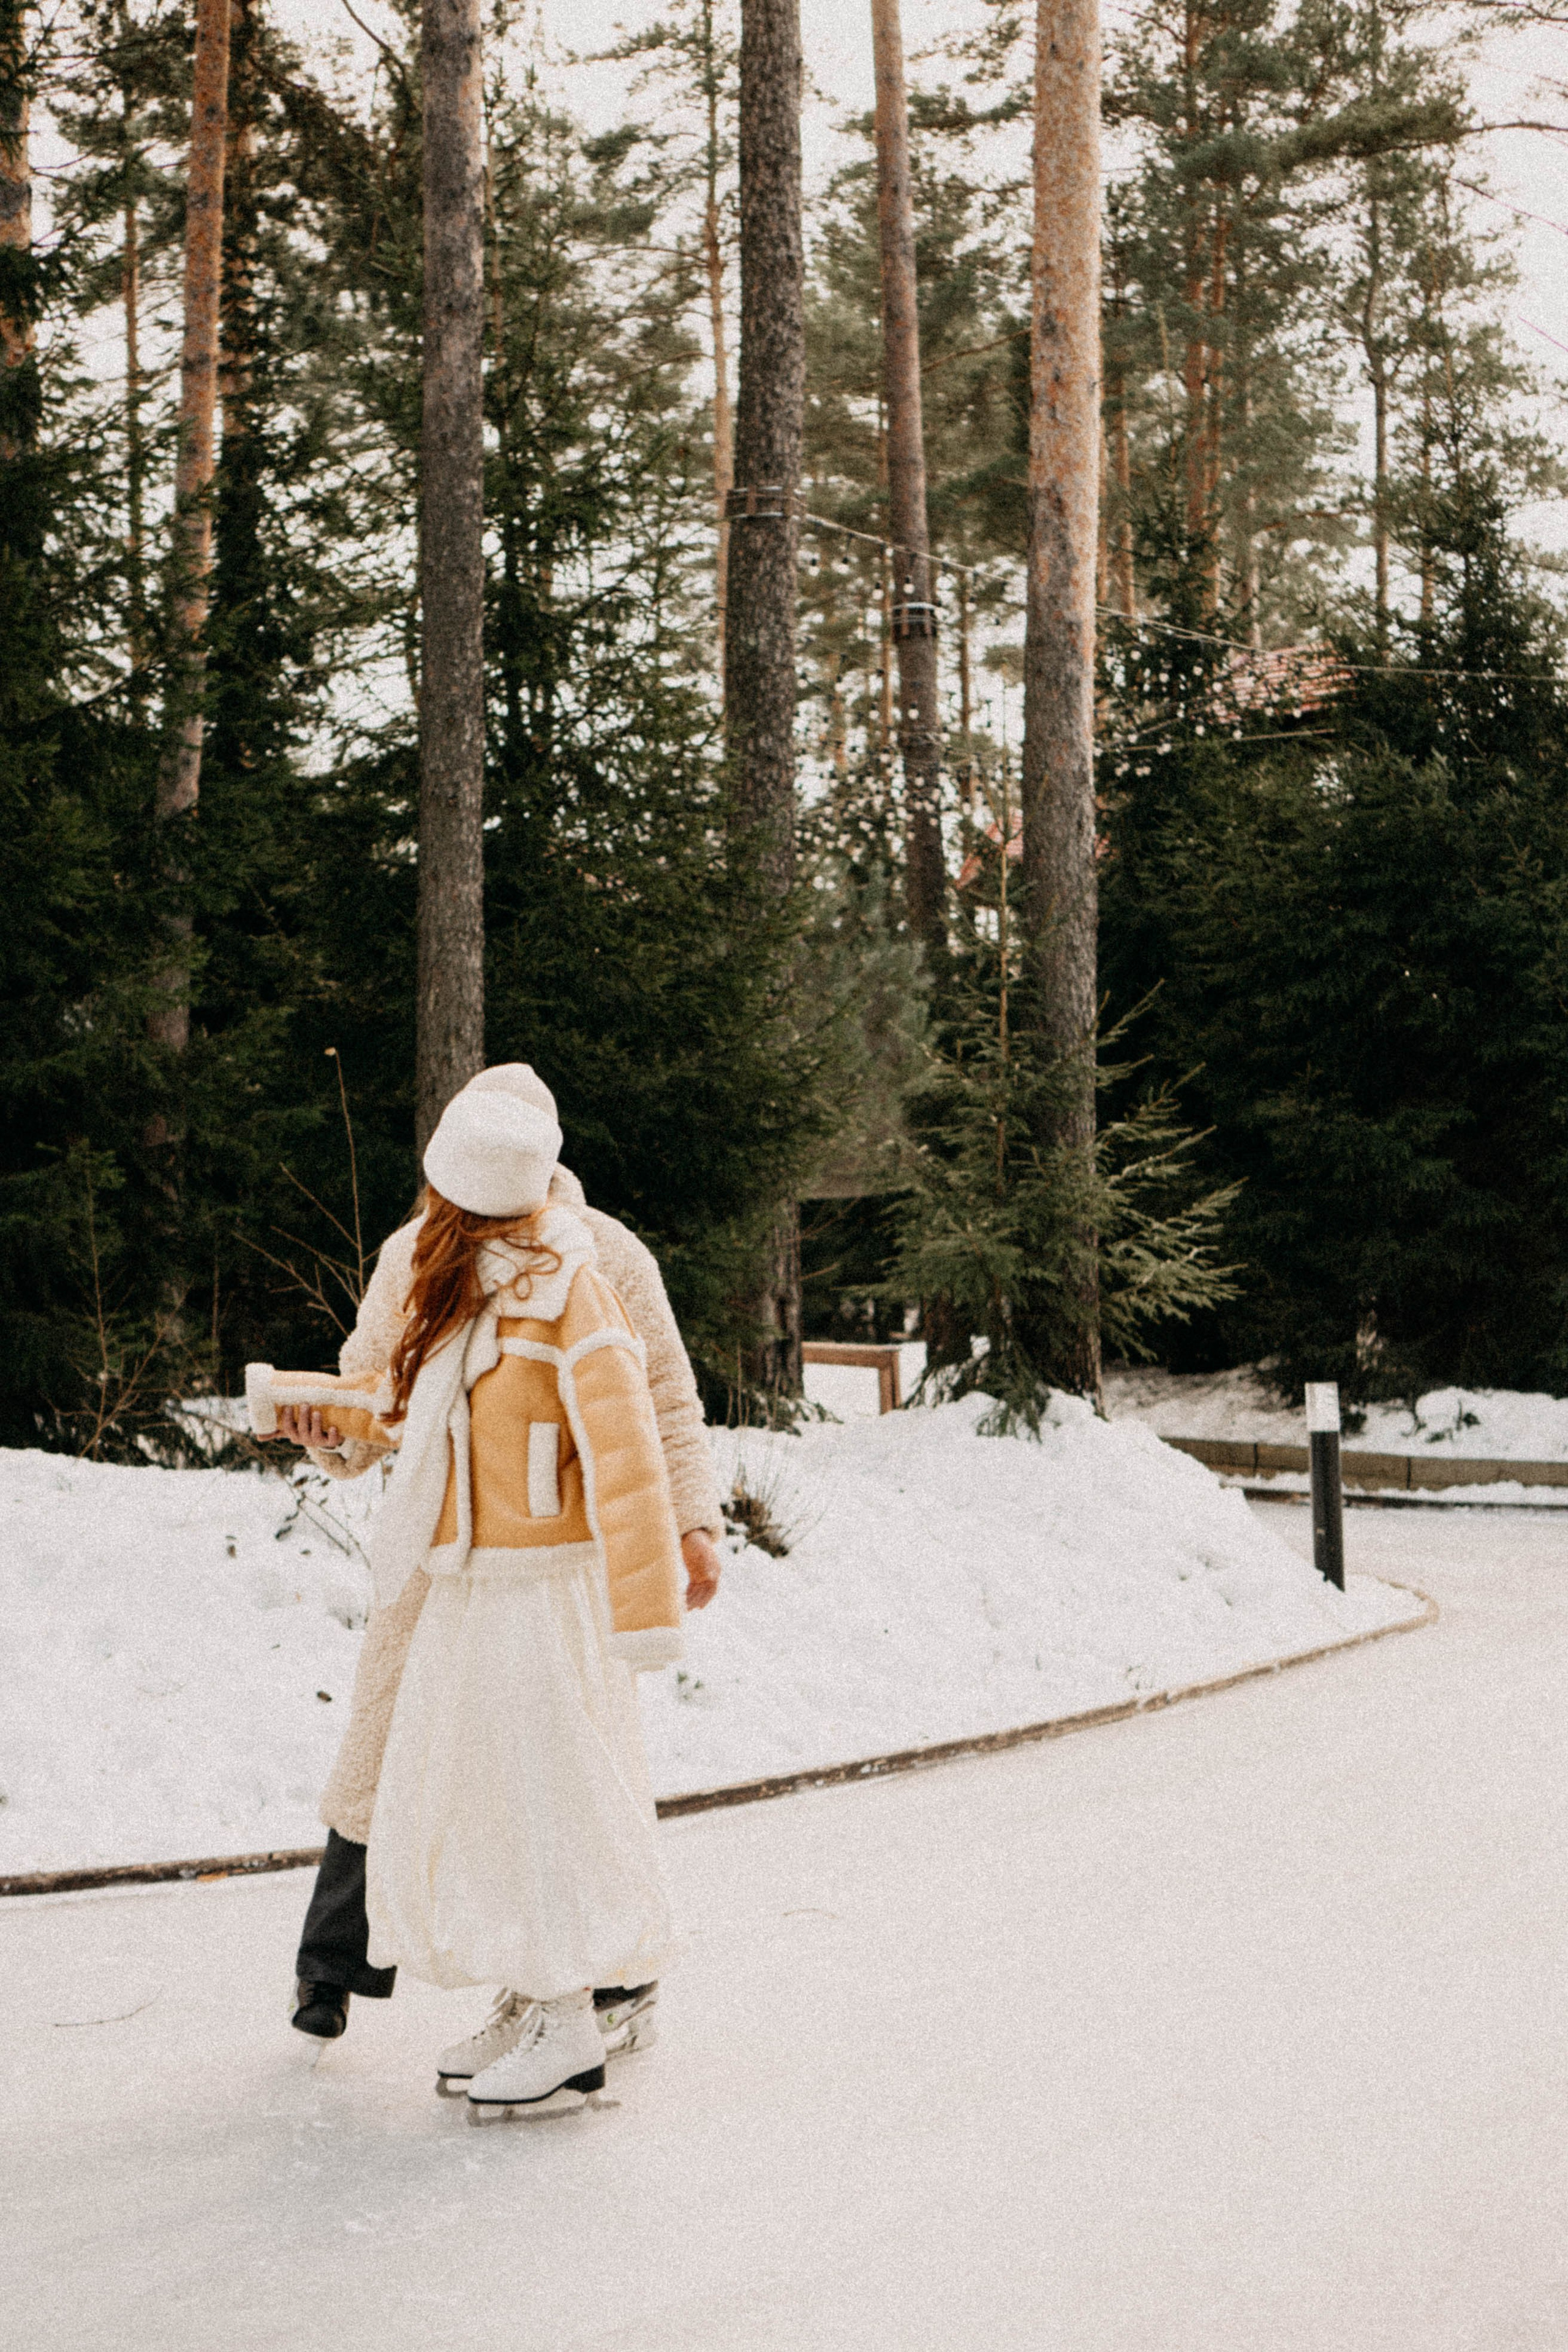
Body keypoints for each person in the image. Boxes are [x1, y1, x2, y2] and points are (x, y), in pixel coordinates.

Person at [274, 1065, 723, 2076]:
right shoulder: (415, 1251)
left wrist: (690, 1524)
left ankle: (591, 1983)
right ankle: (337, 1964)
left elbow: (660, 1401)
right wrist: (322, 1432)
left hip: (543, 1556)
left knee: (546, 1768)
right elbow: (376, 1398)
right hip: (436, 1554)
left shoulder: (598, 1254)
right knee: (402, 1752)